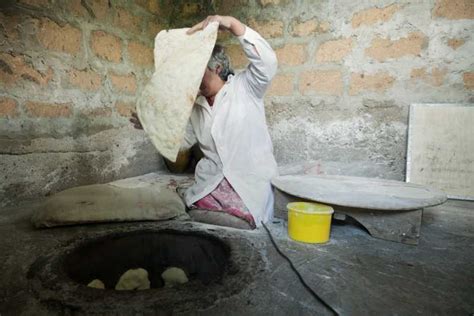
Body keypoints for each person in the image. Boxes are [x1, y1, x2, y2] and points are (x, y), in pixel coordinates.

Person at [131, 15, 278, 229]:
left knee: (242, 221)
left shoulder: (246, 87)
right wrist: (153, 126)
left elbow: (268, 62)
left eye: (198, 71)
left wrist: (231, 24)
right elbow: (183, 141)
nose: (193, 79)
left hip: (248, 180)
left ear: (217, 68)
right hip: (212, 181)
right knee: (194, 212)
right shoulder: (196, 104)